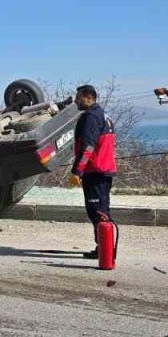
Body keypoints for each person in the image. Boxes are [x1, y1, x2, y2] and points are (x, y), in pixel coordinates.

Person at [68, 85, 117, 259]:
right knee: (102, 209)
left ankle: (105, 251)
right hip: (105, 170)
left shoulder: (90, 117)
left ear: (89, 97)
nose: (75, 101)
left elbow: (88, 146)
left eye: (78, 97)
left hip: (95, 171)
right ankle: (105, 248)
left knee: (97, 211)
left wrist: (77, 171)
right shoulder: (103, 115)